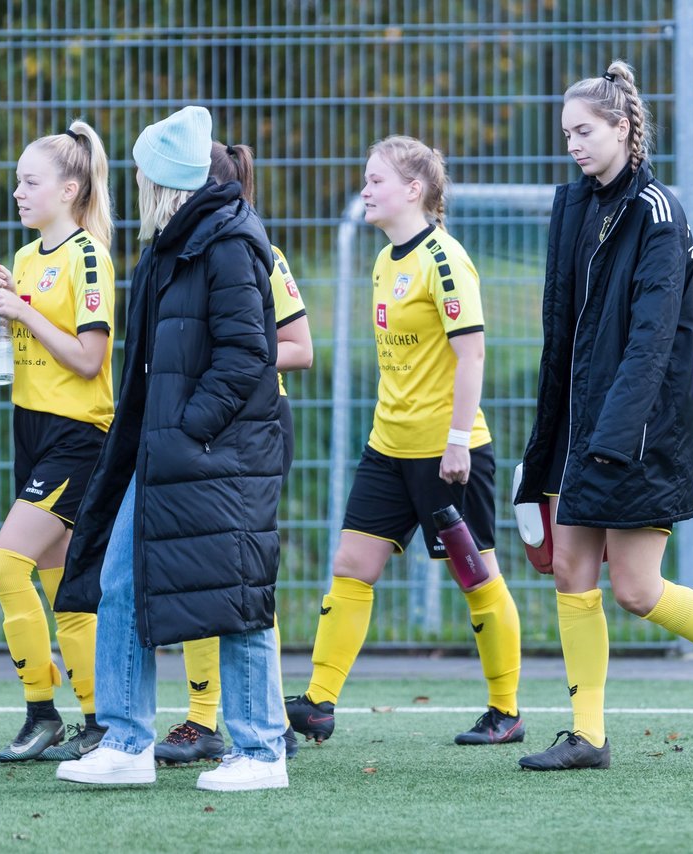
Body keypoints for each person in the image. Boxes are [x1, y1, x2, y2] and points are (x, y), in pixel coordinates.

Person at [513, 61, 693, 771]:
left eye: (584, 131)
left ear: (624, 128)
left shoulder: (658, 213)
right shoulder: (574, 206)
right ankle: (589, 736)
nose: (572, 144)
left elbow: (652, 341)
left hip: (637, 432)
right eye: (565, 132)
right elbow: (562, 328)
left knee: (636, 591)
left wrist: (612, 437)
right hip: (584, 429)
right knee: (572, 573)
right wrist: (553, 435)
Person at [52, 105, 289, 791]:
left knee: (239, 597)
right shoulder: (175, 243)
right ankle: (127, 742)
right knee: (122, 583)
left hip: (217, 456)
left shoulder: (226, 242)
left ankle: (263, 752)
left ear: (166, 181)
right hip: (170, 456)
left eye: (141, 175)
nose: (133, 185)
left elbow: (249, 354)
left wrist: (189, 428)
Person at [284, 135, 524, 747]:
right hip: (386, 447)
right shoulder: (384, 260)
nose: (364, 190)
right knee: (351, 566)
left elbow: (471, 356)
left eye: (376, 180)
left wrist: (455, 442)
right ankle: (318, 702)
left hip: (448, 455)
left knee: (478, 579)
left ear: (414, 190)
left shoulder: (445, 259)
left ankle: (506, 711)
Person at [152, 141, 314, 765]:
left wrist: (230, 356)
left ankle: (254, 723)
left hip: (251, 426)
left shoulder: (255, 251)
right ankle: (206, 717)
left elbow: (298, 347)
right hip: (204, 430)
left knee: (240, 571)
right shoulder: (178, 253)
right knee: (202, 568)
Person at [0, 122, 115, 763]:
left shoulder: (88, 255)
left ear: (69, 188)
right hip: (31, 430)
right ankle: (97, 719)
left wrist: (21, 310)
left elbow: (89, 360)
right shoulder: (29, 257)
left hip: (77, 434)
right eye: (15, 182)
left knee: (5, 567)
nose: (17, 192)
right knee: (62, 584)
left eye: (29, 182)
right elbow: (26, 348)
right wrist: (0, 311)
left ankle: (42, 711)